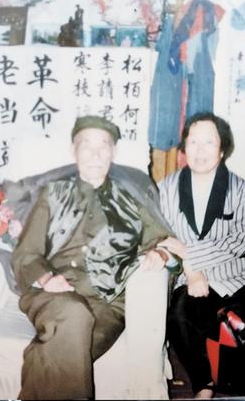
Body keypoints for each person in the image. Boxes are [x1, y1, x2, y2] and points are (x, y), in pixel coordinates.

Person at [11, 115, 174, 399]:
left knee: (64, 345)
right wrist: (47, 279)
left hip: (108, 302)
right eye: (86, 146)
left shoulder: (131, 199)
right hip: (54, 293)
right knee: (72, 316)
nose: (95, 154)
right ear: (73, 151)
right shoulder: (52, 194)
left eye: (104, 146)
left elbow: (165, 244)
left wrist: (160, 253)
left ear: (114, 152)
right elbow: (26, 253)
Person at [157, 112, 245, 397]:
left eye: (209, 143)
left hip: (239, 271)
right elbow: (161, 237)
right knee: (179, 315)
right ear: (184, 147)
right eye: (193, 142)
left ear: (222, 149)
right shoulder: (165, 189)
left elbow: (239, 239)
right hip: (190, 276)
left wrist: (189, 256)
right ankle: (204, 383)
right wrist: (191, 271)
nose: (200, 151)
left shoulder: (242, 189)